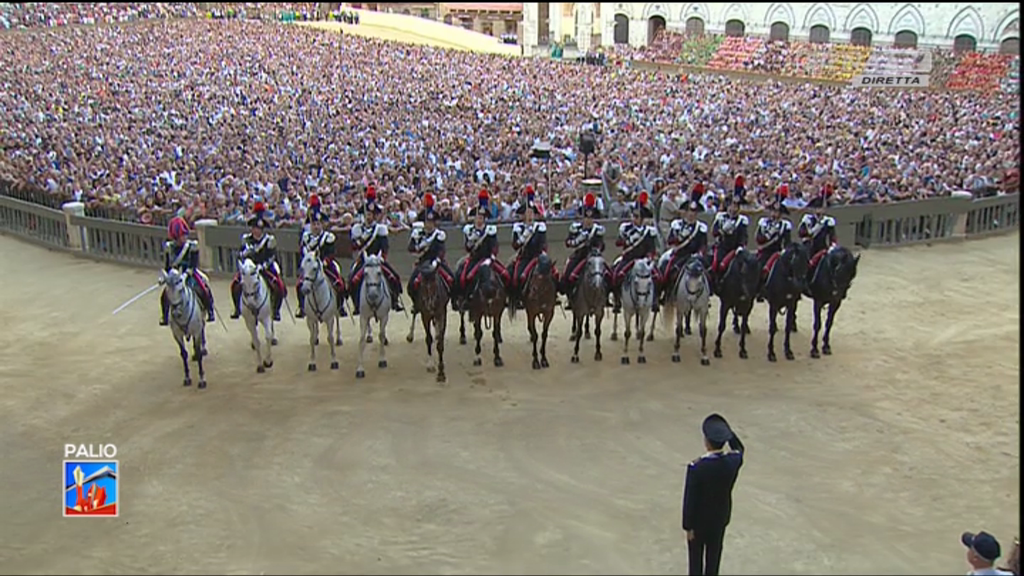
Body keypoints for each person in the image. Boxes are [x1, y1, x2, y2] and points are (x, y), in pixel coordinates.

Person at [682, 414, 745, 576]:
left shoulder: (696, 468)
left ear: (706, 442)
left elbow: (690, 500)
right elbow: (739, 448)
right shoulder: (733, 462)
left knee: (695, 563)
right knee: (713, 560)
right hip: (719, 519)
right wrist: (727, 432)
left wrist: (688, 526)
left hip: (698, 523)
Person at [349, 186, 404, 313]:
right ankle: (357, 304)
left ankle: (395, 300)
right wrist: (361, 240)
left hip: (378, 260)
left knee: (393, 277)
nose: (369, 217)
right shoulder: (358, 229)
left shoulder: (380, 229)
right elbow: (354, 246)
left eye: (372, 214)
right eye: (367, 214)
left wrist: (381, 259)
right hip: (363, 260)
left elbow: (385, 247)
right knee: (352, 280)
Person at [229, 202, 286, 321]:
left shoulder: (269, 240)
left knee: (279, 287)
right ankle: (237, 309)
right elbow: (240, 254)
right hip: (249, 269)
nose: (256, 231)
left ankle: (276, 311)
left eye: (259, 228)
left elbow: (271, 257)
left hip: (264, 267)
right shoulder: (246, 239)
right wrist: (244, 257)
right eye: (255, 228)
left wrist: (262, 266)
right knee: (235, 285)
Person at [454, 190, 510, 309]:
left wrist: (492, 258)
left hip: (488, 258)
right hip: (474, 259)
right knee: (463, 277)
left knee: (505, 275)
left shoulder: (490, 230)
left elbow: (494, 246)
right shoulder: (469, 230)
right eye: (478, 217)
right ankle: (464, 298)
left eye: (482, 217)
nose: (479, 219)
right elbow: (467, 248)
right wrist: (471, 242)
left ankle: (506, 297)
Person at [295, 194, 346, 318]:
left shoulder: (328, 237)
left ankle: (340, 306)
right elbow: (302, 252)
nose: (316, 226)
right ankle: (302, 307)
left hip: (325, 265)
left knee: (339, 283)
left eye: (318, 224)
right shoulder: (306, 237)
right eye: (314, 224)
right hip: (311, 267)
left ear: (322, 224)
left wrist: (325, 262)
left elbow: (331, 252)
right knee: (299, 285)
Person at [159, 216, 215, 325]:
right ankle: (165, 316)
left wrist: (185, 274)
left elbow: (193, 264)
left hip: (189, 273)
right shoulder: (169, 247)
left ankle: (210, 310)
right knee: (164, 296)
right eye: (180, 236)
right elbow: (167, 265)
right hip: (174, 276)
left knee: (204, 289)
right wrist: (164, 277)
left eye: (183, 235)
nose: (183, 238)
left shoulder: (192, 246)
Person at [611, 191, 660, 314]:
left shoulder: (649, 231)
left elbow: (651, 248)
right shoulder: (625, 228)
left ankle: (655, 299)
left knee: (658, 277)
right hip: (628, 259)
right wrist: (626, 239)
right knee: (616, 275)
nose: (634, 219)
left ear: (642, 219)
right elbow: (618, 242)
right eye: (633, 216)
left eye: (637, 217)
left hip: (643, 260)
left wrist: (650, 257)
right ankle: (617, 300)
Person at [560, 193, 611, 309]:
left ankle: (606, 297)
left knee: (608, 274)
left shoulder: (598, 230)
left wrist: (596, 248)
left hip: (594, 257)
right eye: (586, 217)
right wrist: (578, 239)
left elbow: (602, 245)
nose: (588, 220)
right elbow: (568, 242)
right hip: (579, 257)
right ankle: (570, 298)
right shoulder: (575, 227)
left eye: (591, 218)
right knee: (568, 275)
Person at [406, 193, 454, 313]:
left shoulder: (438, 235)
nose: (429, 224)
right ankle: (416, 304)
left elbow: (441, 250)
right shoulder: (418, 234)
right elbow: (410, 248)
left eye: (432, 222)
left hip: (437, 262)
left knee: (451, 279)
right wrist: (417, 248)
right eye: (427, 221)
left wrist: (437, 260)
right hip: (422, 263)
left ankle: (453, 300)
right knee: (411, 284)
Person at [658, 195, 708, 305]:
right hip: (680, 255)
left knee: (708, 272)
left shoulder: (701, 227)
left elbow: (704, 244)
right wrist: (678, 238)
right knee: (666, 270)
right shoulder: (676, 225)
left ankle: (707, 294)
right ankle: (665, 293)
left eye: (694, 212)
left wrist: (699, 253)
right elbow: (670, 240)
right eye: (689, 211)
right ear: (685, 212)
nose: (691, 214)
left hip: (694, 256)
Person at [508, 189, 554, 310]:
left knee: (553, 273)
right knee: (517, 276)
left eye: (531, 213)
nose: (530, 215)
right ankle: (517, 297)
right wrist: (523, 238)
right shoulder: (518, 227)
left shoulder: (540, 226)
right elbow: (515, 245)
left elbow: (543, 242)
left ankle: (554, 295)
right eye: (527, 213)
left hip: (538, 256)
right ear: (523, 215)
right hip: (525, 257)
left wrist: (543, 251)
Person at [755, 185, 794, 301]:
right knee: (758, 268)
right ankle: (759, 290)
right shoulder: (763, 222)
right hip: (765, 251)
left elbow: (787, 241)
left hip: (778, 252)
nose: (774, 214)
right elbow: (758, 238)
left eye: (777, 212)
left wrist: (785, 250)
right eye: (773, 211)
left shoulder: (785, 225)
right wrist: (768, 235)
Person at [709, 194, 750, 295]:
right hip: (722, 247)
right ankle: (714, 284)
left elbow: (744, 235)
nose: (733, 208)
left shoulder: (742, 220)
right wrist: (722, 230)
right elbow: (714, 232)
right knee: (715, 264)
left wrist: (741, 246)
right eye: (732, 205)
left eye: (736, 206)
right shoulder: (720, 217)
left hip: (734, 248)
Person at [798, 185, 839, 272]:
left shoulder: (828, 221)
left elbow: (833, 236)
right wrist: (809, 233)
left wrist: (833, 246)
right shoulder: (807, 219)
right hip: (809, 248)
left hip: (822, 247)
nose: (818, 210)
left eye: (820, 208)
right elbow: (801, 233)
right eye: (816, 208)